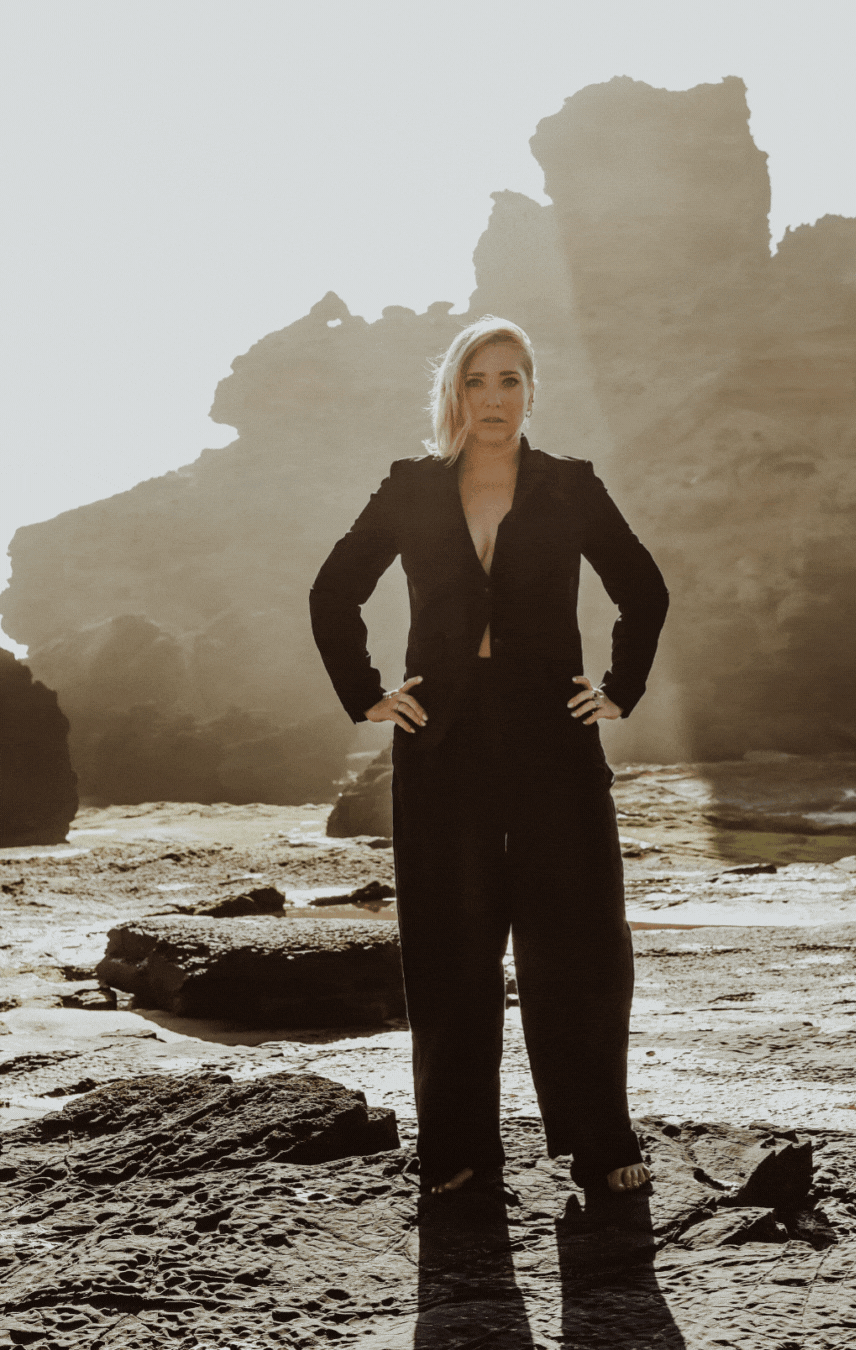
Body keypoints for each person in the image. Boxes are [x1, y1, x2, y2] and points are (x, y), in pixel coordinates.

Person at [309, 315, 669, 1197]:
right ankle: (458, 1152)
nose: (494, 397)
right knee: (449, 939)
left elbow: (643, 588)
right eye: (477, 380)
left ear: (531, 391)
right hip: (442, 733)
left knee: (579, 937)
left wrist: (619, 687)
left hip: (551, 727)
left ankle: (600, 1142)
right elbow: (334, 590)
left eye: (510, 380)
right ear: (454, 392)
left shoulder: (570, 485)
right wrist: (367, 693)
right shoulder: (411, 487)